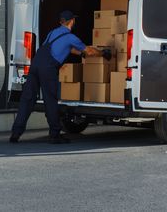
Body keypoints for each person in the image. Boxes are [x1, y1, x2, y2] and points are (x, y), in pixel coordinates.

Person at [10, 10, 104, 144]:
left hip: (35, 65)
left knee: (27, 99)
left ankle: (15, 133)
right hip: (48, 68)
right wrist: (103, 53)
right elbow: (89, 50)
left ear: (61, 22)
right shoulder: (71, 37)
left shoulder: (53, 33)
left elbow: (67, 48)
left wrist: (80, 54)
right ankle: (55, 135)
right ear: (72, 21)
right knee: (50, 101)